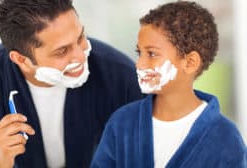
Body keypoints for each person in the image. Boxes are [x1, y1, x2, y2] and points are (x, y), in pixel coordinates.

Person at [0, 0, 143, 167]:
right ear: (21, 59)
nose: (80, 56)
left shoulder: (120, 75)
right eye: (62, 51)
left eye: (80, 37)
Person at [91, 1, 247, 167]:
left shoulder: (226, 138)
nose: (139, 64)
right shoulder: (122, 123)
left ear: (190, 62)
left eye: (151, 54)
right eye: (139, 53)